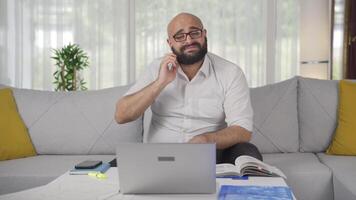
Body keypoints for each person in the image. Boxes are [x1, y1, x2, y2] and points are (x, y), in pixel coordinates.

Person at [115, 12, 262, 163]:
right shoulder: (156, 68)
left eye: (194, 33)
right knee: (116, 164)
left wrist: (206, 140)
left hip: (210, 155)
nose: (189, 40)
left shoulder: (230, 73)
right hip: (160, 156)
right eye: (180, 36)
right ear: (170, 42)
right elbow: (121, 115)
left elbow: (243, 130)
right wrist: (160, 82)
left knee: (247, 151)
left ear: (204, 34)